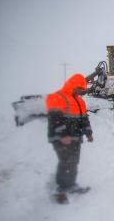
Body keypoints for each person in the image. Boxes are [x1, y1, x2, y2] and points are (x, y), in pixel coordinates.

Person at [46, 74, 94, 203]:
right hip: (60, 138)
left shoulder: (80, 101)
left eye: (82, 90)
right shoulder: (57, 97)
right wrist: (62, 135)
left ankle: (71, 185)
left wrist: (88, 133)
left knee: (74, 162)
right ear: (73, 85)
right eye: (79, 89)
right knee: (65, 162)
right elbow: (54, 120)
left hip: (75, 138)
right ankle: (60, 190)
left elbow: (84, 120)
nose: (81, 92)